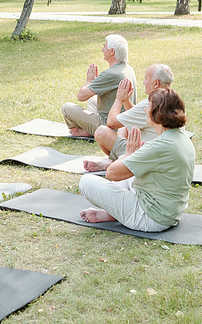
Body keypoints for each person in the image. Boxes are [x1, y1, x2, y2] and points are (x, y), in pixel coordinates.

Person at [79, 88, 195, 232]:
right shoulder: (180, 137)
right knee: (124, 162)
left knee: (86, 182)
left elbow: (111, 174)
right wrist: (132, 155)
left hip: (150, 217)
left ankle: (115, 213)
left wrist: (129, 154)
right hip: (169, 212)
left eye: (149, 106)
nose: (145, 109)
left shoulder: (158, 146)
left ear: (157, 114)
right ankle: (113, 212)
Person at [83, 63, 174, 172]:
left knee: (101, 131)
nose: (143, 82)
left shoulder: (151, 103)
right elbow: (134, 115)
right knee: (124, 126)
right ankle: (114, 161)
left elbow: (111, 123)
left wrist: (119, 100)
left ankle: (115, 163)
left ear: (156, 83)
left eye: (145, 79)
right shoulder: (172, 99)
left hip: (147, 156)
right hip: (163, 153)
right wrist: (126, 100)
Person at [61, 34, 137, 138]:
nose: (102, 49)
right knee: (92, 99)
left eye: (104, 46)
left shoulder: (110, 74)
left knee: (66, 108)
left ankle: (87, 132)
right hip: (124, 123)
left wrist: (89, 81)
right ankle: (90, 129)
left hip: (109, 126)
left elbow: (81, 96)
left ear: (112, 51)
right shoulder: (128, 69)